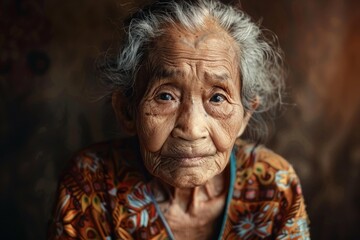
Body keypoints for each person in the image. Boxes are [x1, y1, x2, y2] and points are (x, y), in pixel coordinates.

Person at [48, 0, 310, 239]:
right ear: (127, 111)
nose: (192, 129)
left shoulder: (273, 186)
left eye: (217, 98)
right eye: (165, 96)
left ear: (245, 115)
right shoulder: (91, 184)